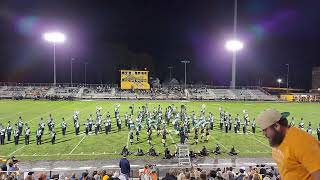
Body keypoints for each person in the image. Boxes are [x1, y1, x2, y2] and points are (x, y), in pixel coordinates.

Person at [256, 109, 320, 180]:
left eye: (265, 130)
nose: (264, 134)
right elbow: (287, 171)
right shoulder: (277, 140)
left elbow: (318, 174)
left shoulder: (301, 142)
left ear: (277, 126)